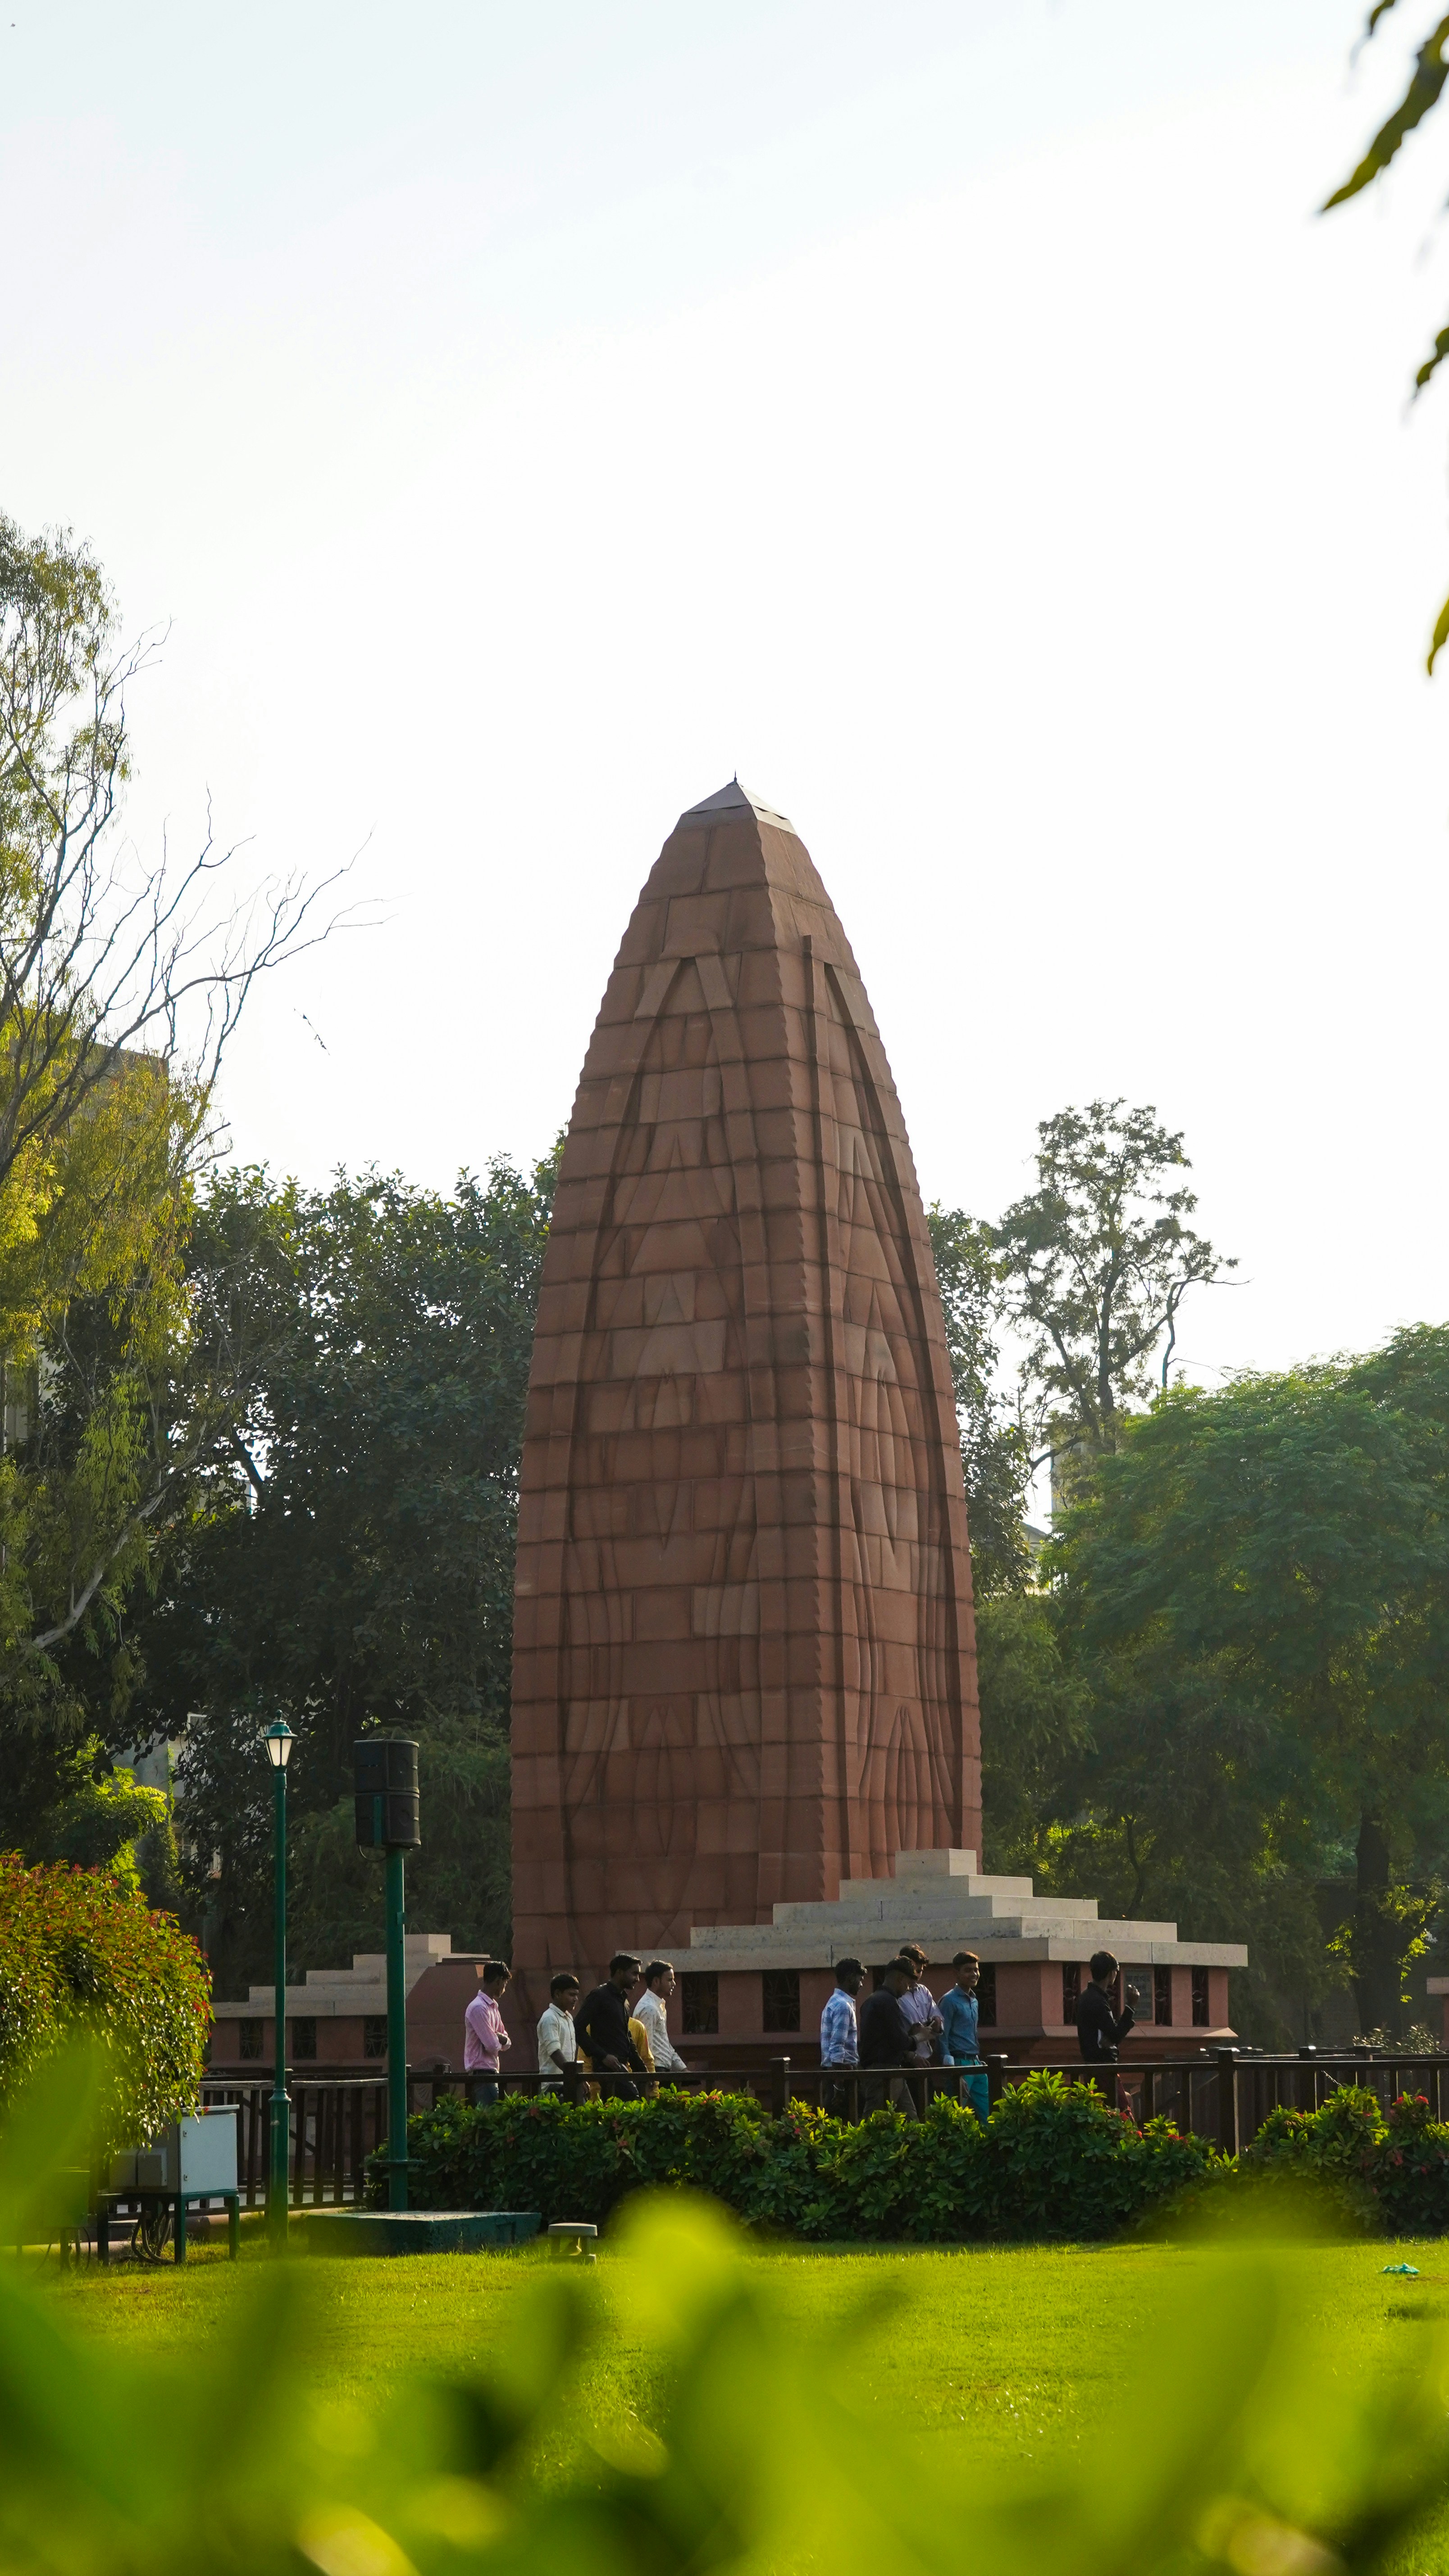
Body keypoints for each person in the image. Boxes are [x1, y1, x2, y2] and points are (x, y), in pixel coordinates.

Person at [575, 1953, 647, 2099]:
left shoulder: (623, 2001)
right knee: (633, 2100)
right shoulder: (599, 1996)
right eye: (634, 1974)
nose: (638, 1979)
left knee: (616, 2108)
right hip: (607, 2067)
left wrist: (642, 2070)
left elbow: (626, 2037)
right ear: (620, 1972)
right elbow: (577, 2028)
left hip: (621, 2066)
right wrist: (603, 2056)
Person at [857, 1958, 917, 2116]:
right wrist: (919, 2037)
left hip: (888, 2071)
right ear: (900, 1979)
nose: (907, 1989)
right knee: (874, 2122)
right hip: (884, 2073)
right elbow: (899, 2041)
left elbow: (885, 2037)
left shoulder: (871, 2000)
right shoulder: (889, 2002)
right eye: (908, 1984)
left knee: (910, 2120)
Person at [939, 1951, 989, 2125]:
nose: (974, 1974)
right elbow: (942, 2037)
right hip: (959, 2064)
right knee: (956, 2116)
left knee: (990, 2115)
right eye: (968, 1970)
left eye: (976, 1970)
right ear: (957, 1973)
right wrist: (954, 2072)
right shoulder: (949, 2001)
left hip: (976, 2063)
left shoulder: (974, 2000)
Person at [464, 1958, 513, 2103]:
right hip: (482, 2074)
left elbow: (507, 2041)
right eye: (505, 1983)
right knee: (493, 2114)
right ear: (498, 1981)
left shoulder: (492, 2007)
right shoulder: (479, 2008)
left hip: (490, 2072)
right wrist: (500, 2039)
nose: (505, 1989)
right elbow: (491, 2046)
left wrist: (499, 2038)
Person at [820, 1957, 865, 2115]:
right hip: (843, 2074)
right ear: (850, 1978)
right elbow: (837, 2045)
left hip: (834, 2072)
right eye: (860, 1979)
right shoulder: (843, 2006)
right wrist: (839, 2086)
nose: (861, 1984)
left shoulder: (834, 2002)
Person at [1076, 1950, 1135, 2063]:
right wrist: (1130, 2007)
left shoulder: (1088, 1996)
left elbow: (1111, 2035)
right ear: (1111, 1973)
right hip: (1101, 2065)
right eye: (1117, 1970)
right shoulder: (1096, 2000)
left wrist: (1111, 2040)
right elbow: (1116, 2035)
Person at [633, 1961, 688, 2082]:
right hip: (655, 2072)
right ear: (656, 1981)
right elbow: (646, 2048)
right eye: (669, 1980)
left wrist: (683, 2069)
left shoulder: (657, 2006)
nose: (674, 1984)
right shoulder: (649, 2008)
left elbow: (664, 2044)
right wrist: (650, 2078)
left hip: (662, 2070)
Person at [898, 1943, 944, 2071]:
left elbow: (937, 2018)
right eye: (913, 1971)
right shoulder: (896, 1995)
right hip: (904, 2061)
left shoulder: (924, 1991)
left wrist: (937, 2023)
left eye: (920, 1971)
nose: (916, 1975)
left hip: (926, 2059)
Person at [537, 1972, 580, 2095]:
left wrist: (576, 2078)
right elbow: (555, 2052)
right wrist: (574, 2076)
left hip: (567, 2081)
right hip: (553, 2085)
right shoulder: (550, 2018)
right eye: (571, 1995)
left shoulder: (568, 2017)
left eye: (577, 1995)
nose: (575, 1999)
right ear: (557, 1994)